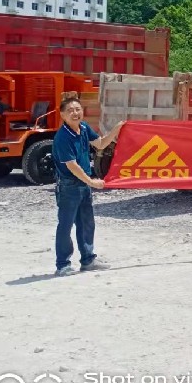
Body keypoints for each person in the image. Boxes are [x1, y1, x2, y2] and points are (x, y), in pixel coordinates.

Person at [52, 96, 123, 276]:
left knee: (86, 223)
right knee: (65, 226)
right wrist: (92, 182)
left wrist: (116, 129)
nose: (75, 113)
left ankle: (88, 260)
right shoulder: (62, 137)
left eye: (78, 109)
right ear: (62, 115)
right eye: (70, 110)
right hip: (69, 186)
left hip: (83, 185)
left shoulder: (83, 128)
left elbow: (100, 143)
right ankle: (62, 265)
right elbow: (72, 166)